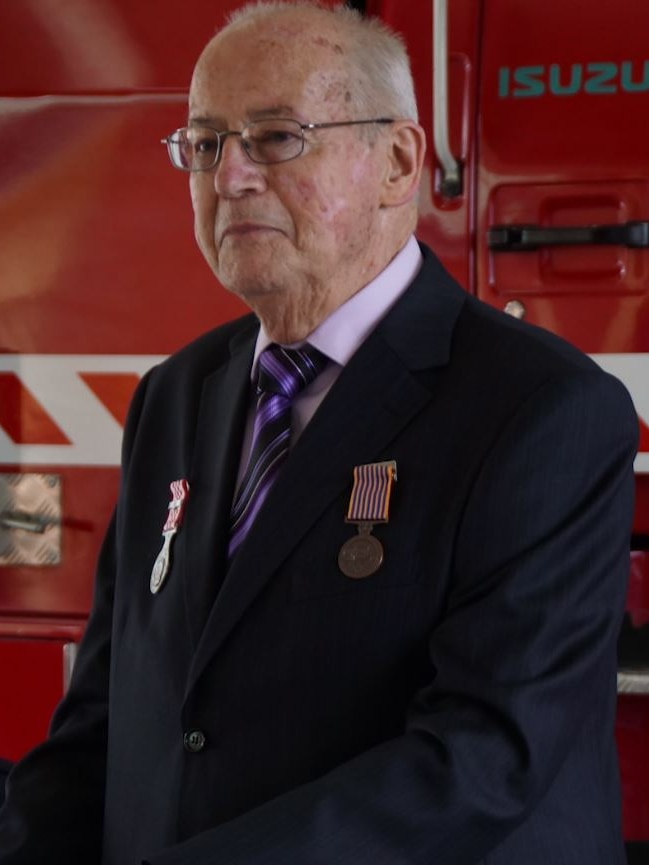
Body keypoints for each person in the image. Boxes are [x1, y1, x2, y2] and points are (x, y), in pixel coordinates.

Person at [0, 2, 639, 864]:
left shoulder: (541, 410)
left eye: (275, 137)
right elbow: (107, 721)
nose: (228, 177)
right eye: (204, 143)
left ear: (399, 161)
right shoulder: (176, 395)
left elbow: (483, 756)